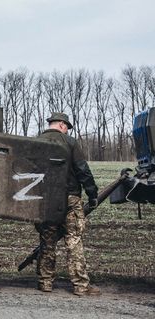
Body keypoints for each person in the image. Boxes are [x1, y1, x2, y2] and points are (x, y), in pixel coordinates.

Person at [34, 112, 101, 296]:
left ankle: (45, 282)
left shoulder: (36, 142)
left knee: (47, 242)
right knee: (73, 240)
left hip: (45, 200)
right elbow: (82, 169)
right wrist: (92, 193)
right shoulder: (69, 142)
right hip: (69, 198)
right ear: (63, 125)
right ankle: (80, 286)